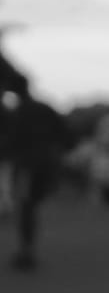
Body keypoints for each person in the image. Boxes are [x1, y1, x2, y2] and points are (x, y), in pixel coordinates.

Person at [4, 88, 71, 271]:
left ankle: (26, 251)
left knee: (26, 205)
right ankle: (27, 249)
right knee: (30, 205)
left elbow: (12, 138)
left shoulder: (20, 112)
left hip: (28, 166)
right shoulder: (44, 109)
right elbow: (65, 134)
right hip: (44, 163)